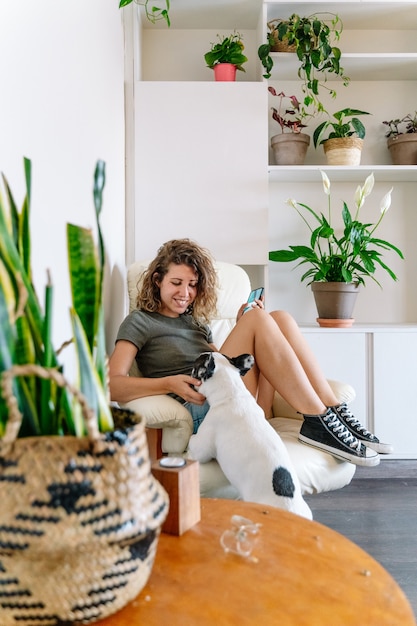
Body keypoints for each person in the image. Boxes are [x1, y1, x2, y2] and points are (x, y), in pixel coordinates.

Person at [109, 238, 393, 467]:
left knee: (279, 318)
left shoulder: (195, 321)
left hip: (235, 397)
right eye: (176, 283)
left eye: (193, 285)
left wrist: (241, 323)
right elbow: (112, 385)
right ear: (157, 280)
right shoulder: (140, 321)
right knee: (259, 320)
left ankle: (333, 411)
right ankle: (319, 420)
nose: (185, 292)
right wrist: (168, 383)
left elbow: (224, 363)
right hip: (202, 408)